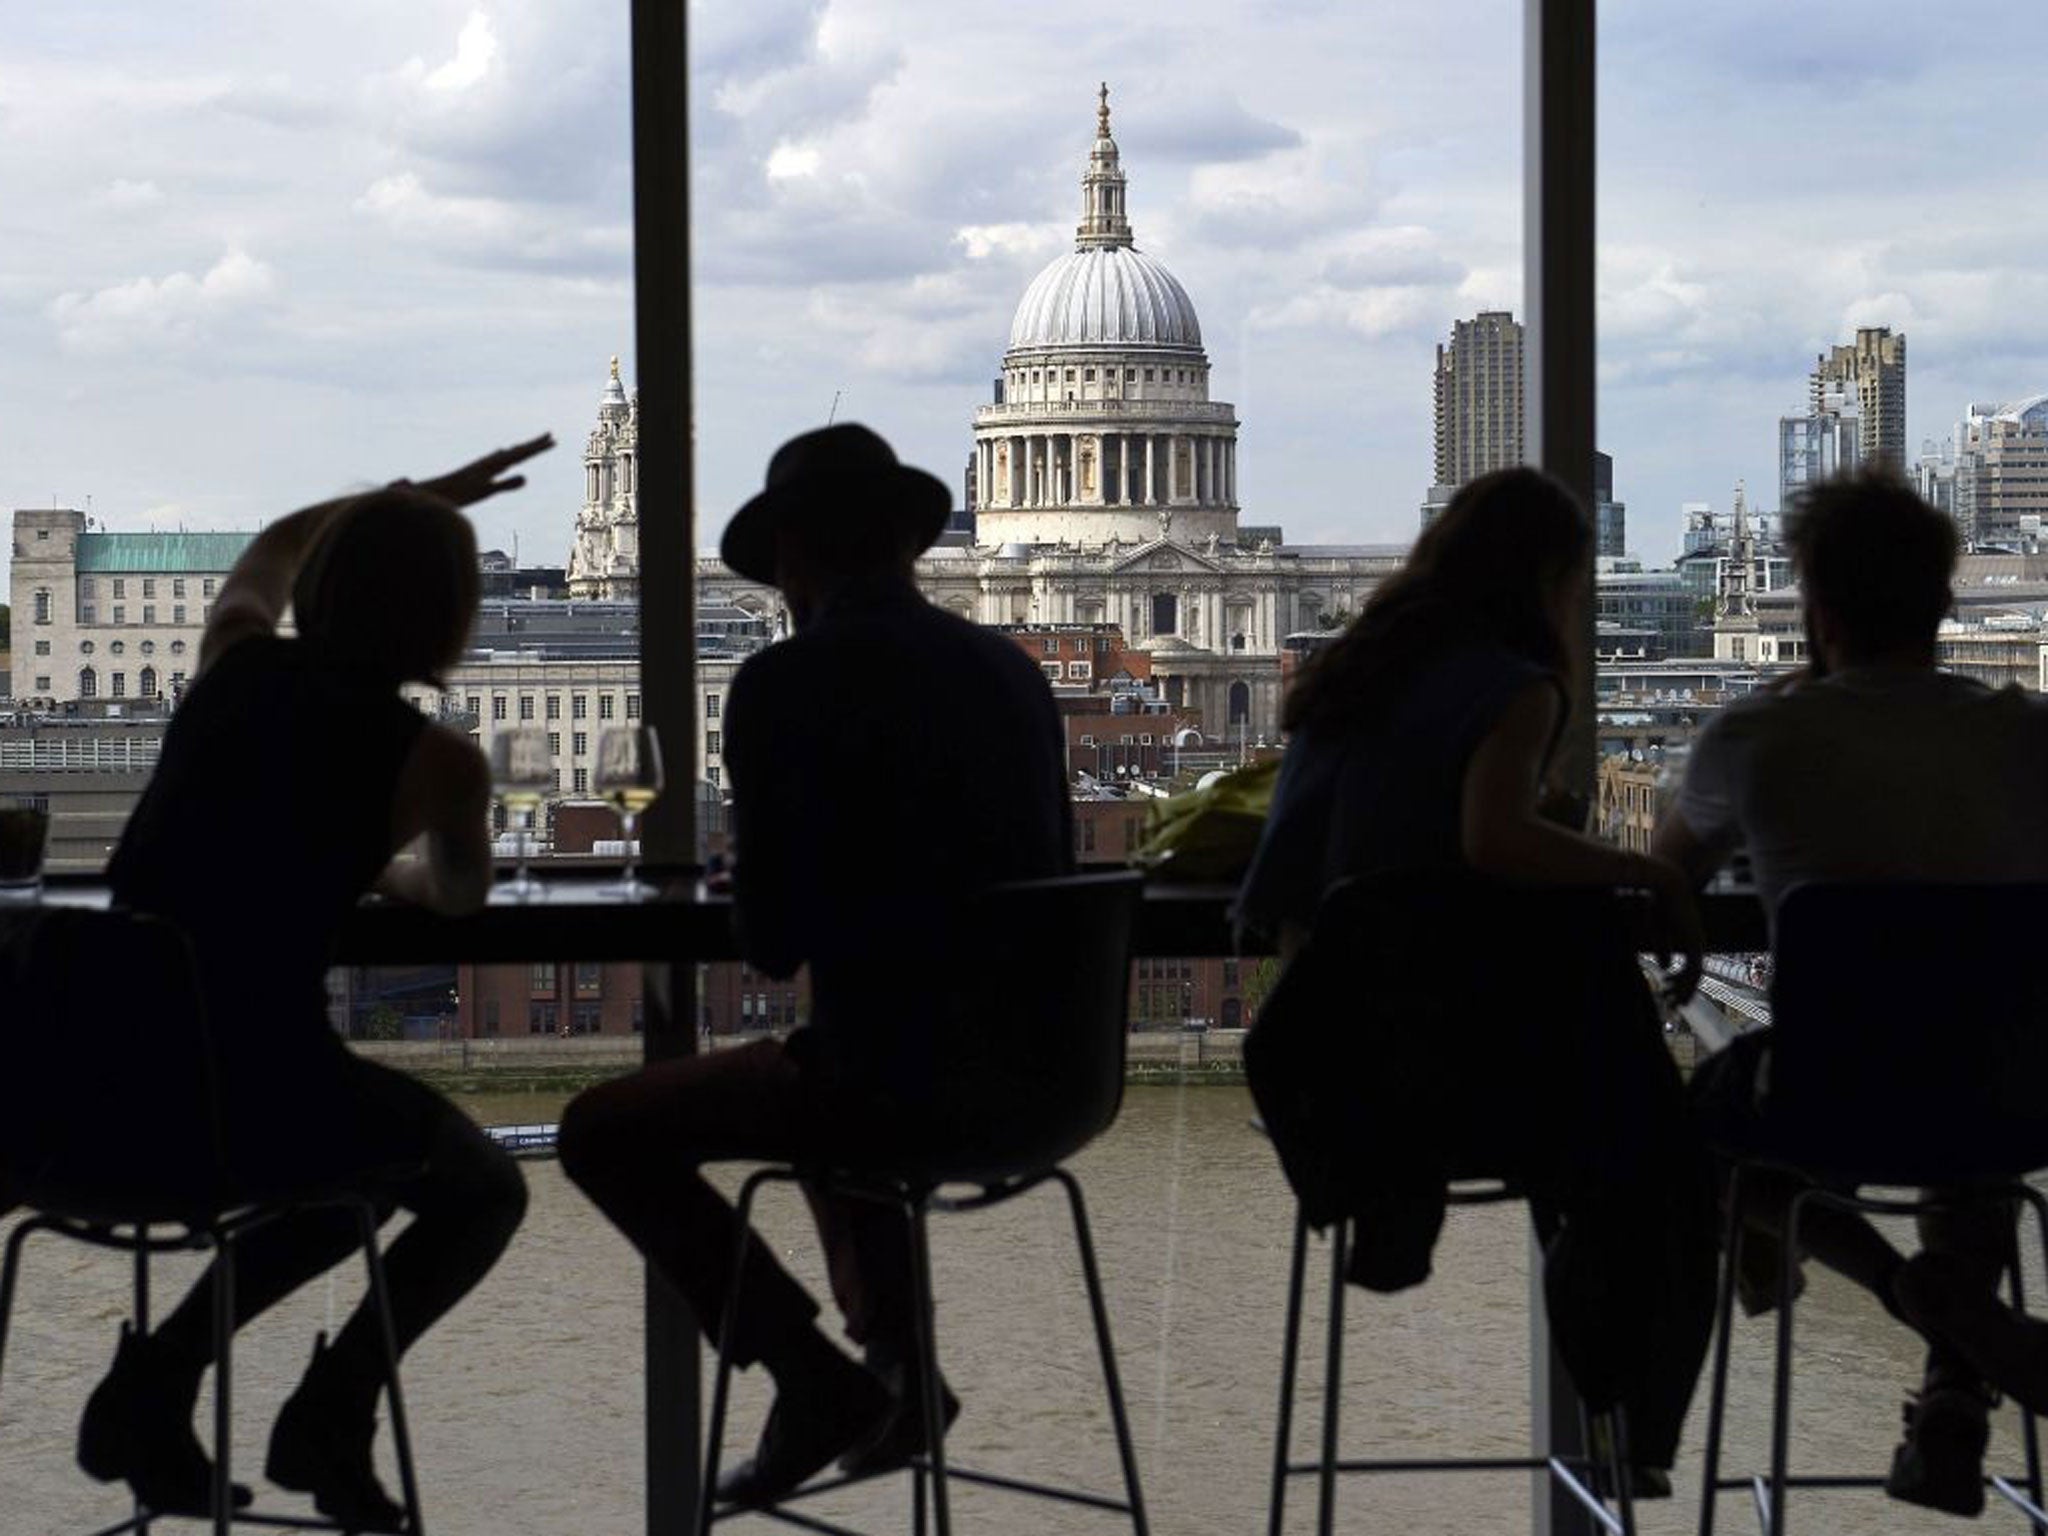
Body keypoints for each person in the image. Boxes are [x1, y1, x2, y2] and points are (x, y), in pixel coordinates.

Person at [558, 423, 1073, 1506]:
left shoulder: (785, 684)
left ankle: (811, 1375)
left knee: (603, 1131)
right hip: (1050, 1084)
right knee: (841, 1077)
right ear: (907, 547)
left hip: (886, 1084)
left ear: (790, 560)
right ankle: (896, 1371)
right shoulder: (1012, 675)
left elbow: (773, 943)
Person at [86, 438, 550, 1524]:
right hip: (247, 1090)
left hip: (87, 1085)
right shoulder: (437, 759)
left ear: (326, 588)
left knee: (360, 1165)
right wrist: (377, 866)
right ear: (452, 621)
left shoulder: (231, 661)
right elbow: (461, 897)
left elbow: (269, 548)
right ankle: (325, 1414)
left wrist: (393, 504)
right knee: (474, 1189)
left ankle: (160, 1387)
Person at [1235, 466, 1717, 1490]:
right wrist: (1642, 869)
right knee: (1651, 1161)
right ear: (1545, 578)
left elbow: (1291, 889)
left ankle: (1405, 1204)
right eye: (1578, 590)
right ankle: (1631, 1427)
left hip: (1333, 1070)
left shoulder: (1341, 679)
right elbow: (1491, 840)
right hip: (1467, 1075)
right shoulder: (1512, 685)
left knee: (1599, 1142)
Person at [1654, 470, 2048, 1515]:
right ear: (1943, 607)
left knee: (1690, 1137)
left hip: (1825, 1095)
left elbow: (1664, 879)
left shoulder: (1757, 738)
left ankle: (1910, 1297)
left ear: (1815, 612)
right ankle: (1954, 1394)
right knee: (1969, 1135)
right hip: (2014, 1093)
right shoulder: (2030, 735)